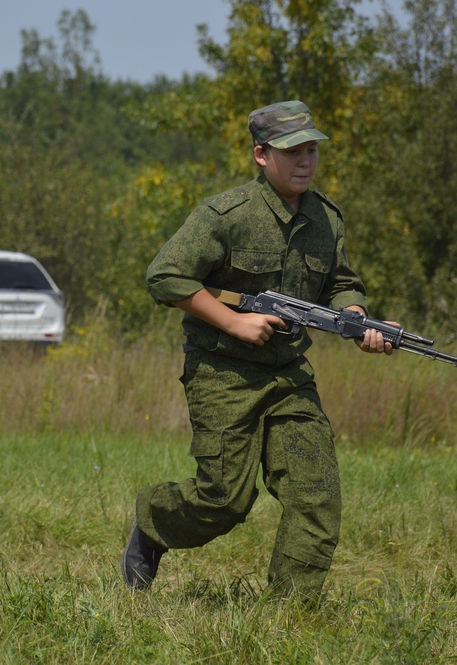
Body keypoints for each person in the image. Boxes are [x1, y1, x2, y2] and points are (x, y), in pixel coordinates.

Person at [121, 100, 395, 598]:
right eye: (293, 151)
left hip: (288, 374)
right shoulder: (227, 215)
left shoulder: (325, 220)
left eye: (312, 149)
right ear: (261, 155)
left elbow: (342, 283)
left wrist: (357, 319)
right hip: (222, 372)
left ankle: (291, 612)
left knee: (316, 495)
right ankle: (152, 525)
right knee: (223, 499)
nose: (306, 161)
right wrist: (233, 321)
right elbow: (164, 276)